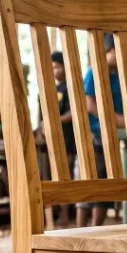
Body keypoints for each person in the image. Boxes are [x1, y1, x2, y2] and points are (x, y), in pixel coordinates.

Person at [79, 33, 125, 227]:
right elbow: (89, 104)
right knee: (90, 184)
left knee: (107, 184)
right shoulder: (93, 72)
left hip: (111, 136)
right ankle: (80, 231)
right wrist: (114, 119)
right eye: (120, 51)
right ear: (110, 50)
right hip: (94, 135)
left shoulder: (115, 76)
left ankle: (97, 229)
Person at [49, 50, 76, 226]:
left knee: (65, 176)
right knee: (56, 176)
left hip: (68, 140)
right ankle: (57, 213)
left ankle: (66, 214)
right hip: (54, 140)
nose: (55, 71)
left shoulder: (70, 88)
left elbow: (74, 113)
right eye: (53, 68)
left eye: (58, 67)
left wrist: (54, 121)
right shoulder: (52, 89)